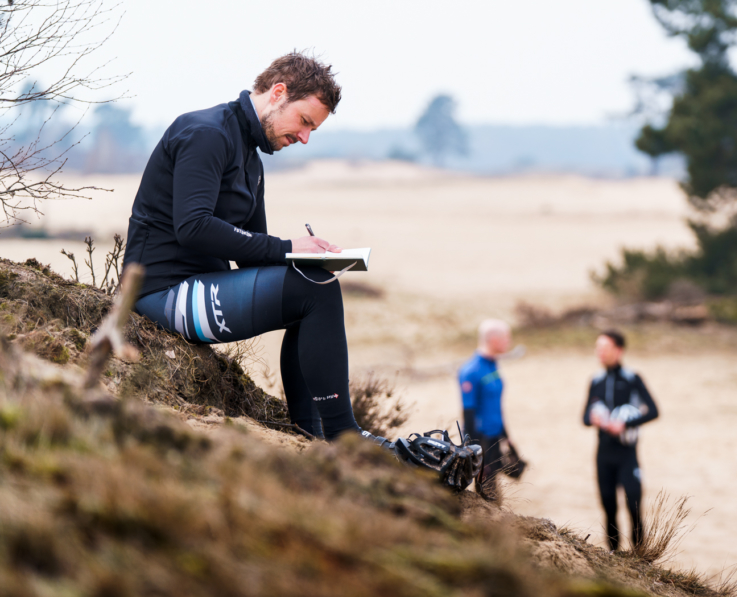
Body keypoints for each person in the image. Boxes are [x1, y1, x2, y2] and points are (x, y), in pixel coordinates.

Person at [122, 52, 474, 478]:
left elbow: (254, 250)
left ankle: (314, 433)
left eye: (313, 130)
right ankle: (346, 438)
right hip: (161, 294)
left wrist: (310, 256)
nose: (306, 138)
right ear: (278, 93)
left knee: (309, 282)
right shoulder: (205, 133)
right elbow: (193, 228)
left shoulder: (250, 158)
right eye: (305, 122)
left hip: (200, 286)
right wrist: (290, 248)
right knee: (312, 288)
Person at [583, 330, 659, 552]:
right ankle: (613, 556)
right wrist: (594, 418)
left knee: (634, 506)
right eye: (598, 349)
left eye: (604, 349)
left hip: (627, 454)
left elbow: (654, 411)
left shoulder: (632, 379)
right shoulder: (595, 381)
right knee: (608, 507)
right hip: (603, 454)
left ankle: (641, 558)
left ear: (619, 350)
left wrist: (624, 424)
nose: (600, 353)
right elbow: (584, 418)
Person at [458, 319, 523, 497]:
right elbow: (468, 412)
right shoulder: (471, 370)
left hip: (495, 436)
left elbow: (495, 406)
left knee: (498, 485)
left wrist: (506, 437)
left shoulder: (492, 365)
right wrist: (474, 449)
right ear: (493, 339)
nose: (509, 342)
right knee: (487, 493)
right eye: (506, 338)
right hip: (481, 440)